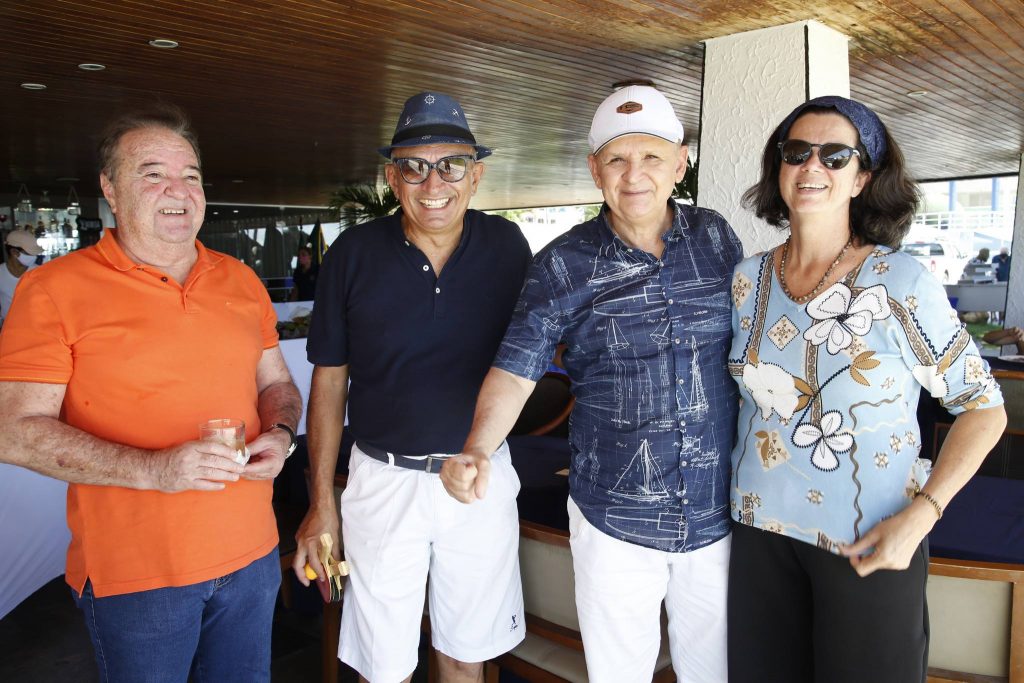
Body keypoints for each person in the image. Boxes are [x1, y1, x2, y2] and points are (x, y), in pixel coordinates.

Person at [441, 85, 742, 682]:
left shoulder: (716, 238)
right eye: (617, 159)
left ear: (681, 164)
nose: (635, 175)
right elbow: (517, 368)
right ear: (594, 170)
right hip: (614, 518)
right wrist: (477, 448)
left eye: (652, 157)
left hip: (717, 512)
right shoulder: (561, 263)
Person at [0, 107, 302, 682]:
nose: (178, 190)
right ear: (111, 189)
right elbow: (12, 431)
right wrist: (155, 470)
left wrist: (281, 433)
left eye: (191, 175)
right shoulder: (53, 289)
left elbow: (277, 383)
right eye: (153, 173)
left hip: (253, 556)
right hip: (137, 576)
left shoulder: (240, 279)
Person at [728, 95, 1007, 683]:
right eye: (797, 152)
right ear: (779, 167)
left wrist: (922, 516)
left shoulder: (900, 282)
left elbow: (984, 409)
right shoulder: (746, 280)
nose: (812, 166)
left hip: (869, 538)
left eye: (835, 156)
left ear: (862, 178)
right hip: (758, 533)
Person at [292, 91, 531, 683]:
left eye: (451, 164)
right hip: (383, 481)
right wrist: (321, 502)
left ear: (476, 176)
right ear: (392, 178)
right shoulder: (352, 253)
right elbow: (329, 383)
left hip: (478, 481)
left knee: (466, 655)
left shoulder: (507, 248)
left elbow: (530, 358)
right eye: (414, 167)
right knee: (383, 665)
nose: (434, 183)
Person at [0, 228, 43, 327]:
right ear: (14, 252)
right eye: (29, 254)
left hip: (34, 326)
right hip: (8, 328)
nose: (34, 257)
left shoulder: (39, 273)